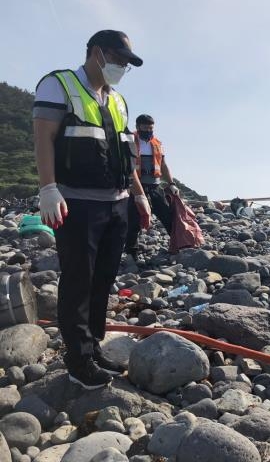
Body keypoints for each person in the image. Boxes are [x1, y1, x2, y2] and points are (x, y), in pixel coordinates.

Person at [33, 30, 152, 389]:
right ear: (97, 53)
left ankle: (93, 345)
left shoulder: (117, 101)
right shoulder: (59, 85)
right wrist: (48, 188)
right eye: (118, 59)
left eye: (126, 64)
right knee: (78, 279)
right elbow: (43, 138)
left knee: (103, 278)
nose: (121, 67)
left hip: (115, 203)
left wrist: (139, 195)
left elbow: (125, 153)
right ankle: (78, 360)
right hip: (76, 203)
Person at [125, 114, 178, 259]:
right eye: (145, 128)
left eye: (151, 128)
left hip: (154, 186)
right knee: (133, 220)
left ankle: (177, 245)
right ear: (137, 127)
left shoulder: (157, 143)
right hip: (136, 187)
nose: (148, 130)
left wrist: (171, 183)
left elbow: (163, 165)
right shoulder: (129, 141)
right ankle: (131, 251)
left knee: (167, 216)